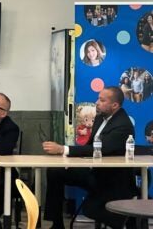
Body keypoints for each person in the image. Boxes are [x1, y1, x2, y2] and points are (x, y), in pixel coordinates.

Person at [42, 86, 136, 229]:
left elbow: (99, 149)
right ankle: (56, 223)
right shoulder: (99, 119)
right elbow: (88, 146)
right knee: (55, 171)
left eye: (102, 100)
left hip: (110, 179)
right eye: (98, 98)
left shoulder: (123, 125)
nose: (97, 102)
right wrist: (69, 161)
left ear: (115, 105)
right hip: (94, 172)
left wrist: (63, 149)